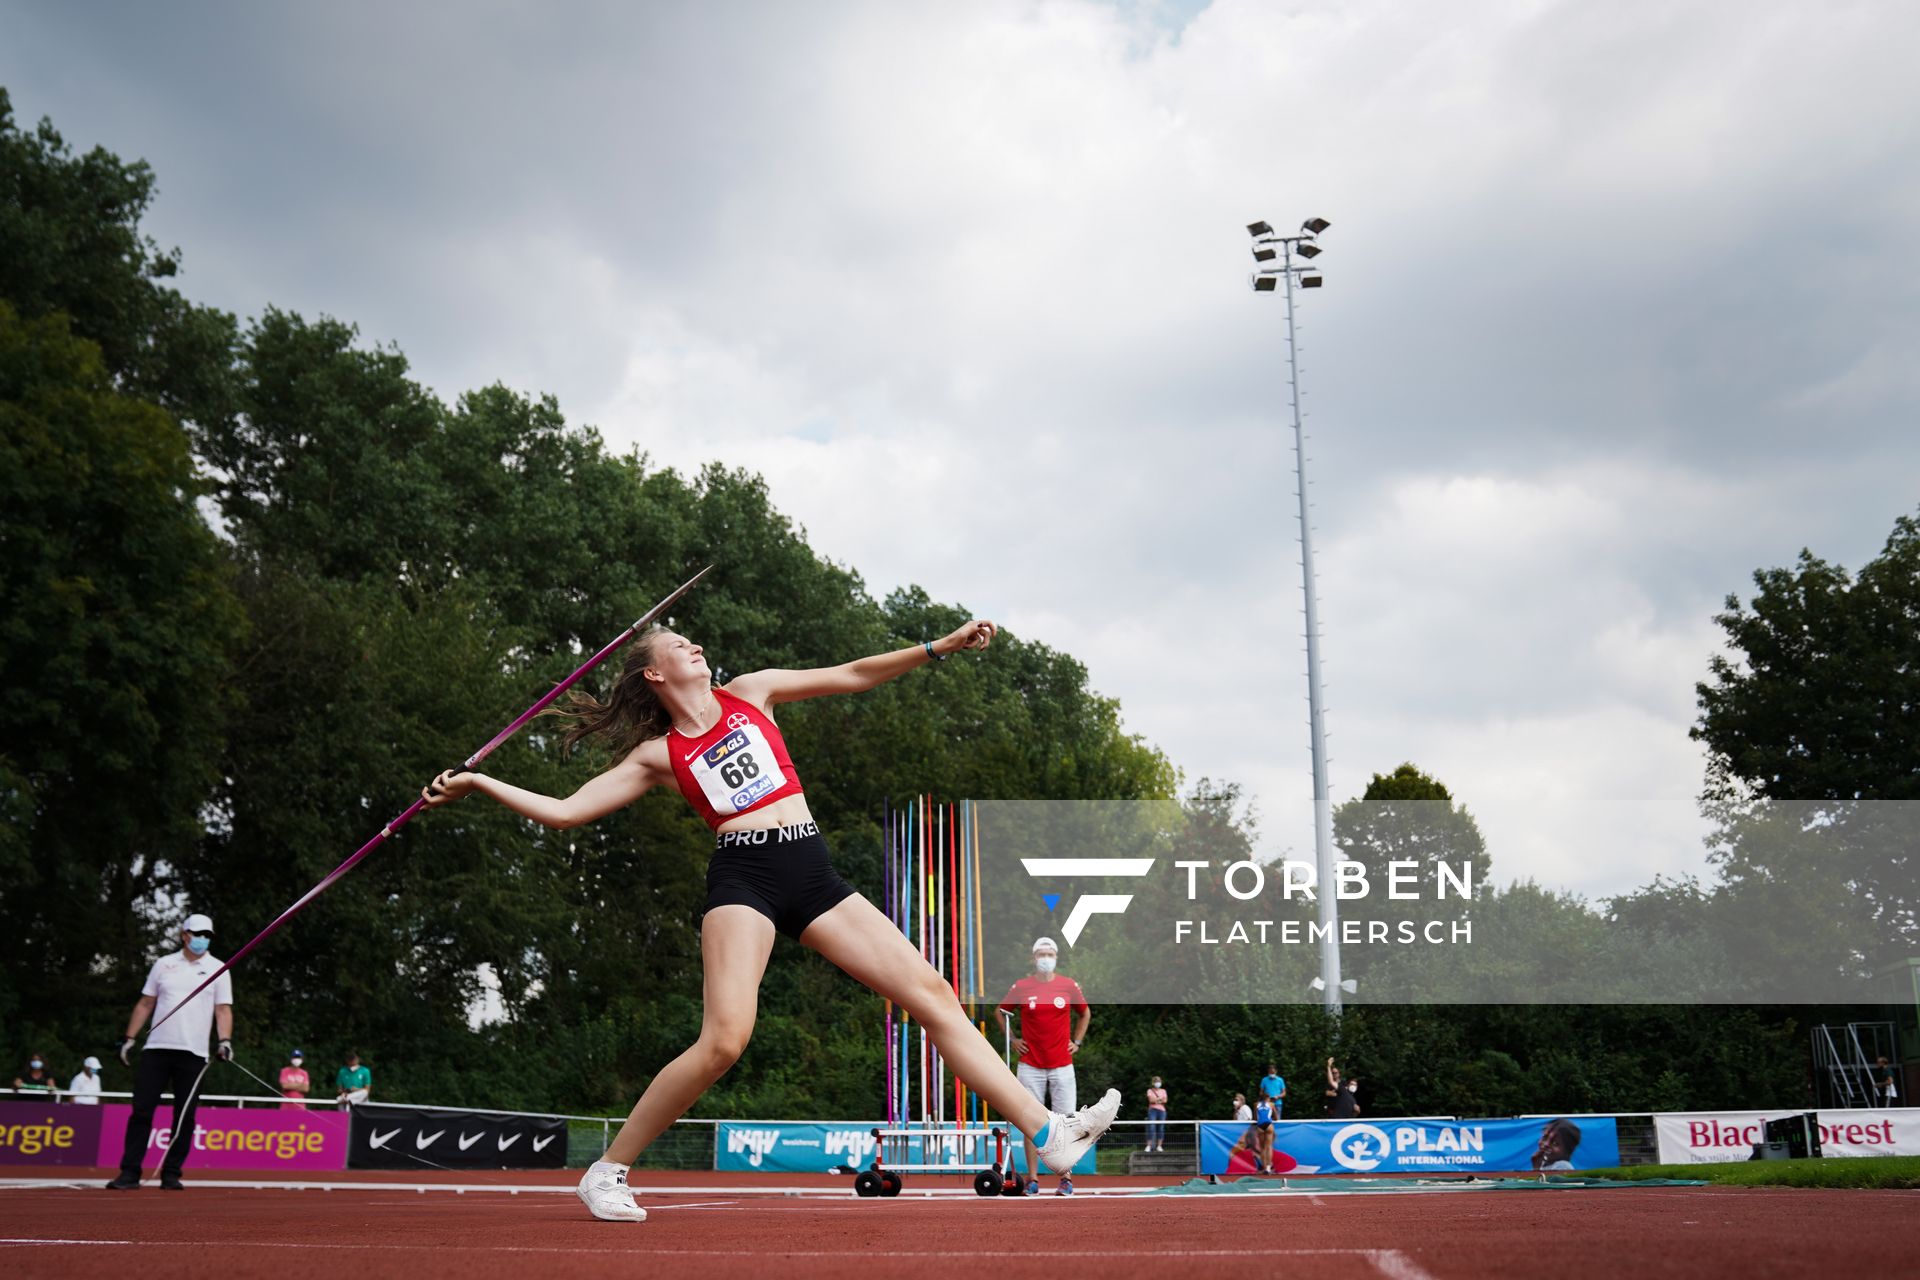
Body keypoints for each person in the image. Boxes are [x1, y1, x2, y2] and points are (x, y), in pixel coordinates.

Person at [421, 619, 1121, 1223]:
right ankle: (606, 1172)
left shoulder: (751, 692)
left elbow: (851, 674)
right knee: (725, 1040)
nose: (694, 646)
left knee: (933, 994)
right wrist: (480, 782)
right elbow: (568, 810)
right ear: (655, 674)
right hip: (743, 878)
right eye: (678, 645)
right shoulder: (657, 756)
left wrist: (940, 647)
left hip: (812, 871)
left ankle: (1048, 1132)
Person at [107, 912, 233, 1191]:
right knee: (141, 1110)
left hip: (194, 1053)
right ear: (184, 934)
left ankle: (172, 1172)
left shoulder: (219, 968)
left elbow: (223, 1009)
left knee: (185, 1116)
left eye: (207, 936)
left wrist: (224, 1041)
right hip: (157, 1048)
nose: (202, 940)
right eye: (197, 934)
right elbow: (145, 1003)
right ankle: (129, 1172)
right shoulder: (164, 964)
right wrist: (129, 1038)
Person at [996, 936, 1092, 1195]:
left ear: (1056, 957)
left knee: (1066, 1122)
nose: (1045, 959)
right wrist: (1013, 1039)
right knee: (1030, 1122)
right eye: (1041, 955)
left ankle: (1066, 1178)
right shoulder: (1022, 986)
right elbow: (1000, 1012)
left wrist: (1078, 1041)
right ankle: (1033, 1178)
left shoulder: (1068, 985)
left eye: (1050, 954)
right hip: (1030, 1064)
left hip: (1062, 1064)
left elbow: (1085, 1012)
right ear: (1034, 958)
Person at [1144, 1075, 1169, 1153]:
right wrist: (1159, 1099)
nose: (1158, 1083)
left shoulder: (1163, 1091)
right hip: (1152, 1110)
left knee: (1161, 1128)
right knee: (1151, 1127)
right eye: (1156, 1081)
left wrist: (1156, 1100)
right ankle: (1148, 1146)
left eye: (1159, 1081)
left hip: (1162, 1111)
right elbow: (1151, 1100)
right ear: (1153, 1083)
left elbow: (1165, 1101)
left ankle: (1159, 1146)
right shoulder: (1150, 1090)